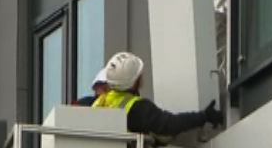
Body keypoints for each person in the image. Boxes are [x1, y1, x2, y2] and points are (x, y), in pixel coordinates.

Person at [92, 51, 222, 138]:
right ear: (134, 82)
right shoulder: (138, 109)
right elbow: (170, 124)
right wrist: (204, 116)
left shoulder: (100, 102)